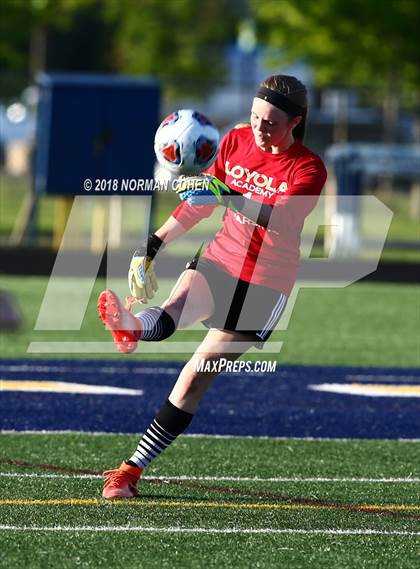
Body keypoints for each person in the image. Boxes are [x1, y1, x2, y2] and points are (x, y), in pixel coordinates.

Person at [98, 74, 327, 499]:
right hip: (222, 258)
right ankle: (131, 325)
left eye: (272, 122)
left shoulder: (309, 168)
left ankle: (131, 470)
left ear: (295, 122)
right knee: (173, 309)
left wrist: (228, 193)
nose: (260, 127)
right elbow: (201, 201)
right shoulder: (237, 140)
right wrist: (150, 246)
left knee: (194, 377)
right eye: (256, 116)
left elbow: (282, 219)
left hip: (264, 283)